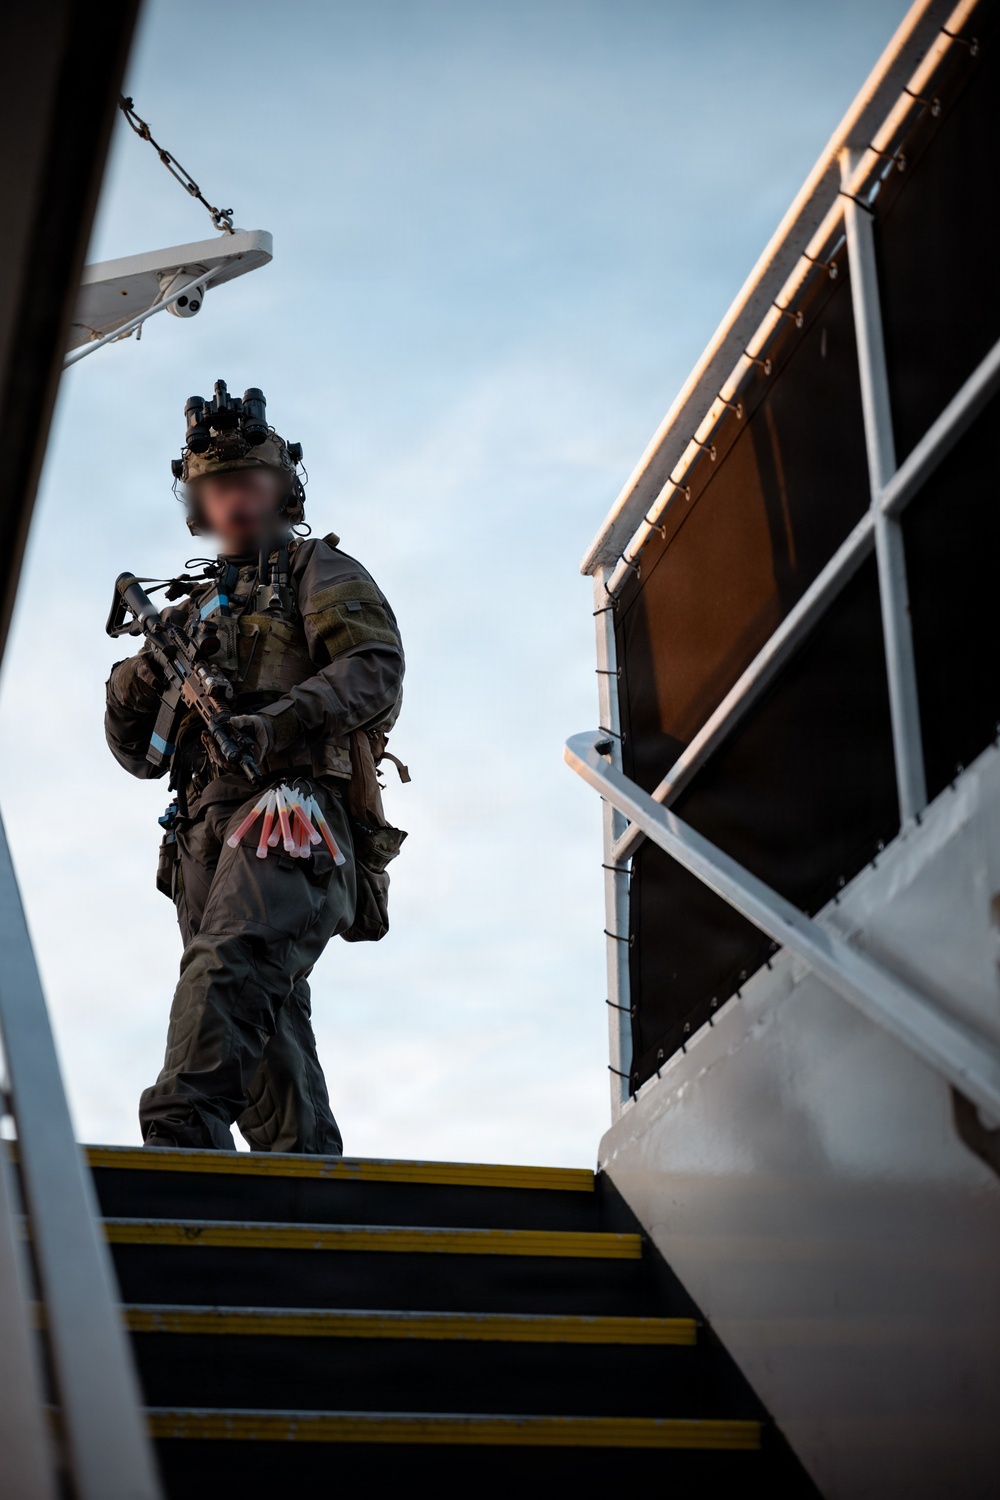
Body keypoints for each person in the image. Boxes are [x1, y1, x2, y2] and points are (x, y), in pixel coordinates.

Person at [105, 382, 405, 1154]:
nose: (234, 500)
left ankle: (179, 1129)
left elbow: (373, 671)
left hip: (290, 805)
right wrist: (141, 676)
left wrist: (276, 724)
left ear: (281, 491)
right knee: (262, 1028)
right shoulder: (185, 616)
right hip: (198, 837)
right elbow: (137, 755)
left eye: (250, 483)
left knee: (233, 963)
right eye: (218, 488)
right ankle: (303, 1186)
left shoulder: (315, 569)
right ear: (199, 505)